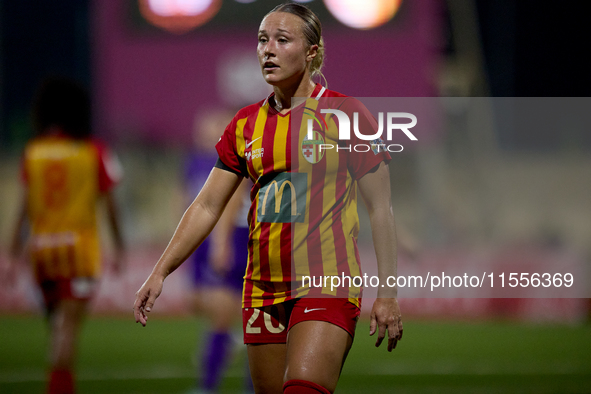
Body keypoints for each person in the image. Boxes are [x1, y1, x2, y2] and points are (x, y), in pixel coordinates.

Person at [134, 3, 403, 394]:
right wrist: (160, 271)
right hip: (261, 289)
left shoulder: (346, 115)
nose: (268, 50)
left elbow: (381, 208)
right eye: (262, 40)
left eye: (282, 40)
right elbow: (208, 205)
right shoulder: (244, 125)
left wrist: (389, 294)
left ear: (312, 52)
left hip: (326, 284)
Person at [8, 77, 125, 394]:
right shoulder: (93, 151)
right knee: (67, 328)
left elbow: (24, 208)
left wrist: (11, 253)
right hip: (78, 254)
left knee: (57, 325)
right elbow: (111, 205)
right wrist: (120, 247)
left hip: (42, 254)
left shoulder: (33, 152)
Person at [183, 110, 253, 393]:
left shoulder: (242, 155)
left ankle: (212, 385)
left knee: (251, 321)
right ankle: (209, 384)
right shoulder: (206, 161)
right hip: (235, 238)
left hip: (248, 239)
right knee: (224, 313)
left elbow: (232, 201)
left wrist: (220, 243)